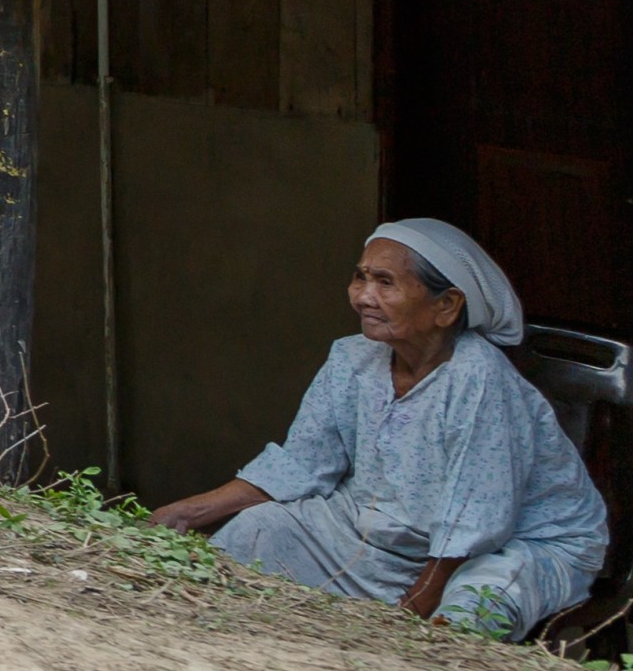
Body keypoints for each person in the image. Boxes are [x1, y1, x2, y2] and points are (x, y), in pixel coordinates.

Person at [150, 221, 607, 640]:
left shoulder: (477, 377)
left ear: (446, 306)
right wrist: (189, 513)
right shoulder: (351, 359)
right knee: (261, 529)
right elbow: (303, 463)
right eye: (361, 276)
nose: (362, 296)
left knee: (470, 612)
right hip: (384, 535)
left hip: (511, 547)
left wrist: (406, 620)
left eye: (384, 282)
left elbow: (476, 519)